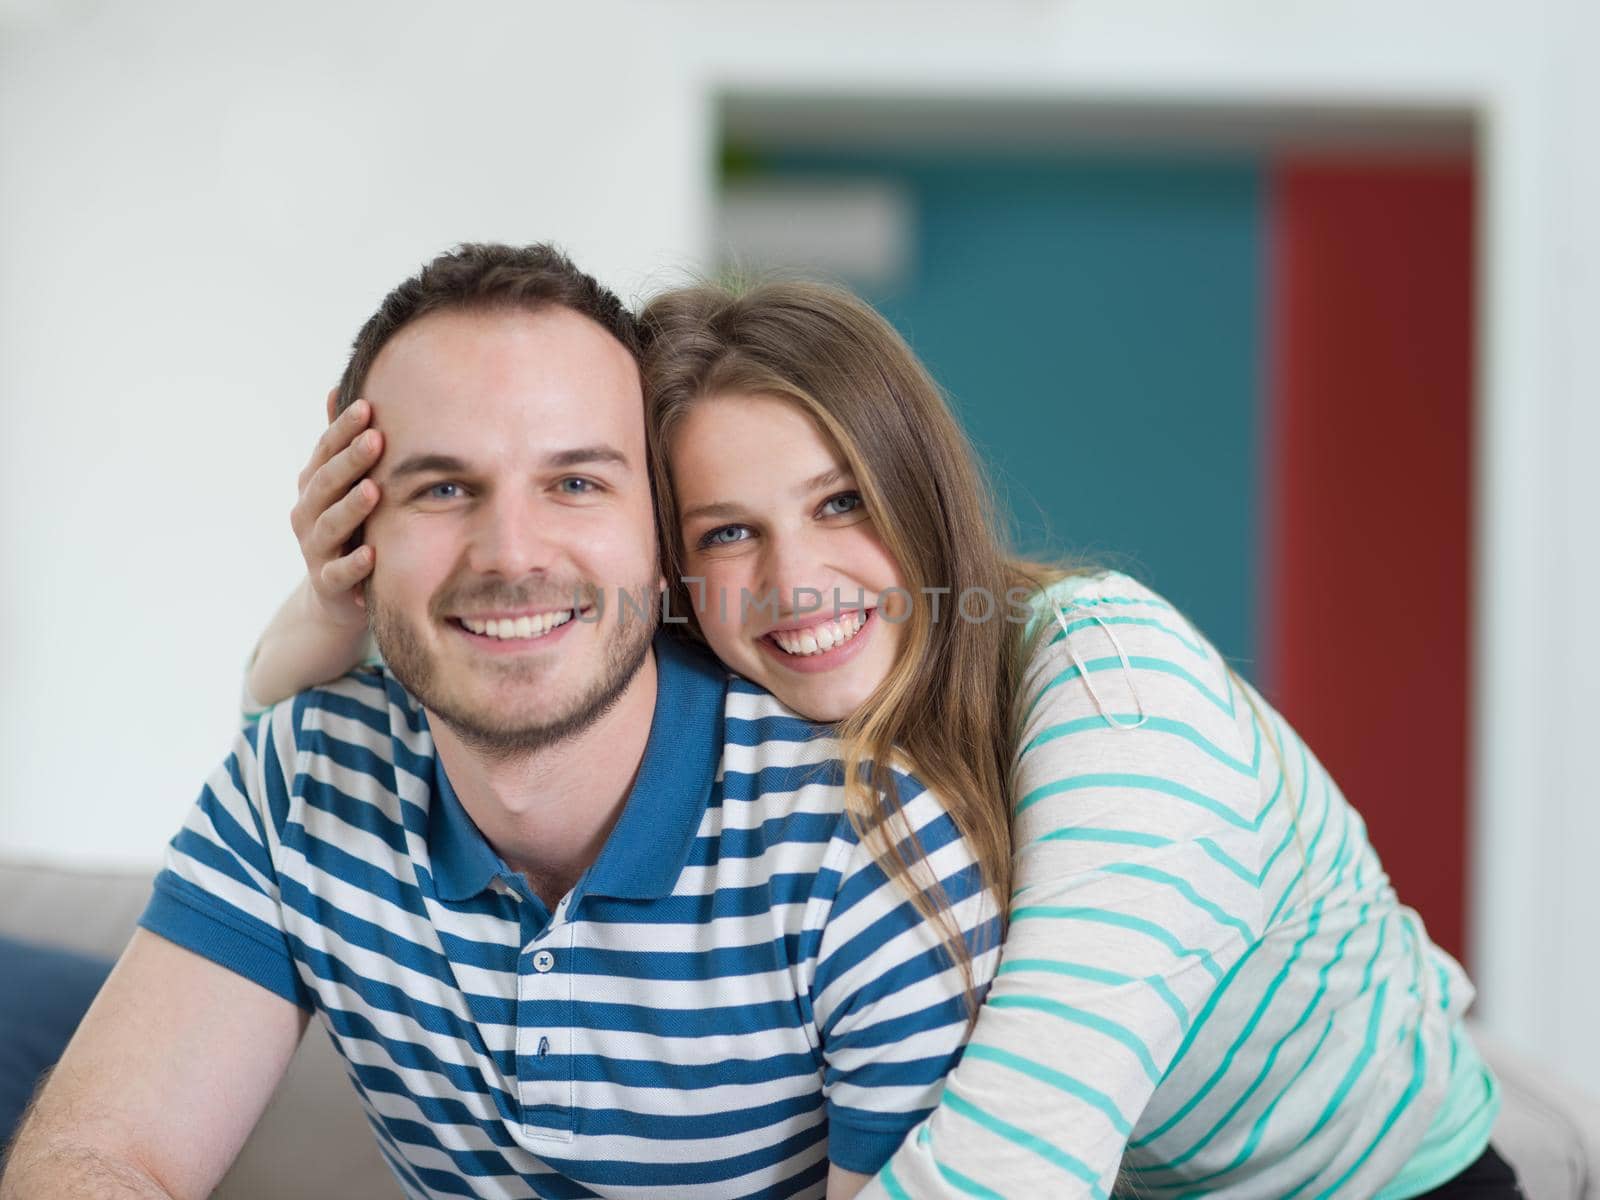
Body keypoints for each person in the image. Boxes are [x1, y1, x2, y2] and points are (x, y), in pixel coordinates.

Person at [248, 272, 1518, 1199]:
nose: (797, 583)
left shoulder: (1114, 690)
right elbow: (425, 753)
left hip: (1384, 1180)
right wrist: (338, 602)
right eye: (728, 532)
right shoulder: (763, 713)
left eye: (841, 502)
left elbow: (1009, 1166)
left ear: (919, 488)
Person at [0, 246, 999, 1200]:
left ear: (658, 540)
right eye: (443, 487)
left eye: (574, 482)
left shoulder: (869, 849)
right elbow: (96, 1151)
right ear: (352, 534)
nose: (511, 553)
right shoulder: (296, 777)